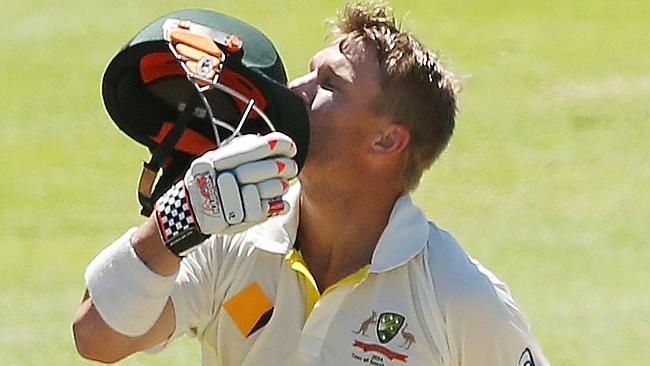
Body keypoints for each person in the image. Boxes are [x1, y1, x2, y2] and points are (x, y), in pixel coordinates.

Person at [73, 1, 550, 365]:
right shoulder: (232, 237)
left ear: (387, 139)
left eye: (328, 83)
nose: (294, 91)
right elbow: (97, 338)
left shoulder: (458, 296)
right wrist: (176, 221)